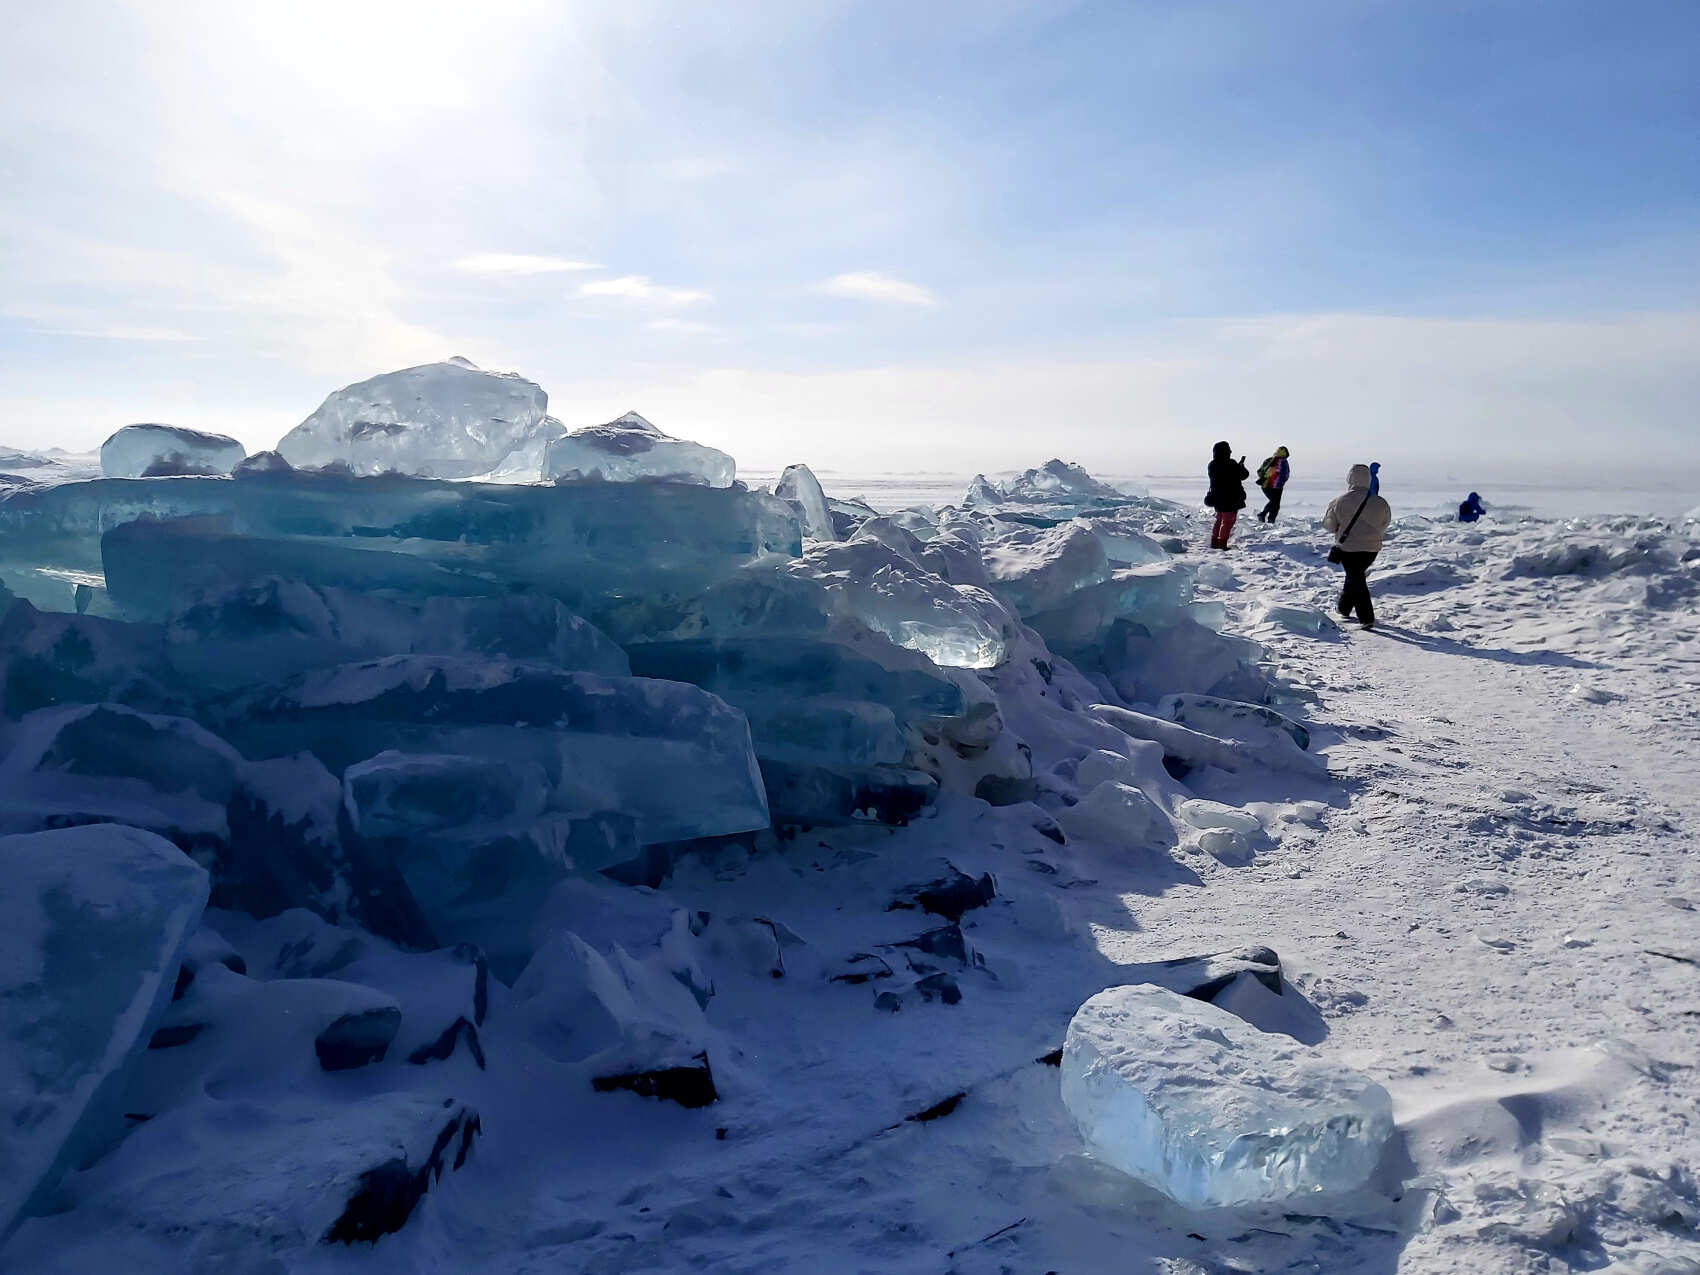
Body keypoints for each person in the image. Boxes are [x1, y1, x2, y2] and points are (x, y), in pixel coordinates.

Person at [1323, 463, 1393, 629]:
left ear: (1350, 479)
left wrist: (1340, 531)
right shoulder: (1380, 502)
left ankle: (1366, 618)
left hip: (1348, 548)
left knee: (1356, 579)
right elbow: (1385, 522)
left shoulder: (1338, 501)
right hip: (1371, 549)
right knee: (1355, 575)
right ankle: (1343, 608)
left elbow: (1329, 525)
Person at [1205, 441, 1249, 549]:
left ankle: (1214, 542)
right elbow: (1243, 475)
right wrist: (1241, 466)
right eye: (1228, 450)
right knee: (1228, 522)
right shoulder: (1231, 464)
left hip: (1217, 498)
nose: (1230, 451)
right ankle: (1222, 544)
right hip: (1230, 498)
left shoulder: (1212, 464)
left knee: (1219, 520)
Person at [1255, 446, 1291, 523]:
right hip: (1269, 485)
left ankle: (1270, 519)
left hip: (1275, 486)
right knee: (1274, 502)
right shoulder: (1276, 461)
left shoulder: (1276, 461)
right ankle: (1264, 515)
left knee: (1275, 504)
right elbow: (1260, 471)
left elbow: (1285, 474)